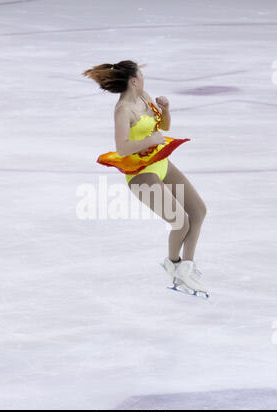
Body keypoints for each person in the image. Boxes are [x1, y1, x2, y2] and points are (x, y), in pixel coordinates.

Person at [82, 60, 207, 293]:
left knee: (198, 211)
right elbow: (122, 148)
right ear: (133, 80)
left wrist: (166, 110)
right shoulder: (123, 110)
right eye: (141, 74)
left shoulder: (144, 97)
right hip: (141, 174)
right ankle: (174, 264)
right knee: (180, 222)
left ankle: (187, 269)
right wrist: (150, 140)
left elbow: (164, 127)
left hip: (161, 162)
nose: (143, 77)